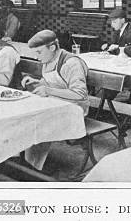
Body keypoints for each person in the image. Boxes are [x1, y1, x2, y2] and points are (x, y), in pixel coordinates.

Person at [21, 29, 90, 169]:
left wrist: (48, 90)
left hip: (75, 109)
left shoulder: (71, 63)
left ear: (52, 47)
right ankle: (20, 159)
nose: (36, 57)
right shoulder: (49, 59)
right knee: (23, 113)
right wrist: (37, 82)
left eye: (39, 52)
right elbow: (51, 82)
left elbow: (80, 94)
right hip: (57, 103)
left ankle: (31, 167)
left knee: (36, 121)